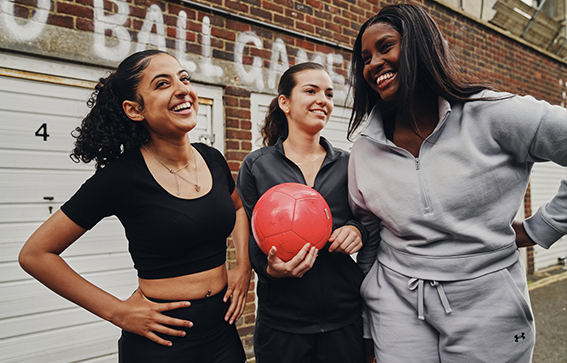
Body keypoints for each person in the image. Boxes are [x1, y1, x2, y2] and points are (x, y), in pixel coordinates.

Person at [347, 4, 567, 363]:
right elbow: (369, 235)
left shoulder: (492, 115)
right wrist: (366, 327)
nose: (372, 64)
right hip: (396, 301)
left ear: (420, 44)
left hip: (487, 304)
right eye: (365, 58)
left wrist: (541, 226)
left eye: (385, 47)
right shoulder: (365, 149)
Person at [18, 49, 251, 363]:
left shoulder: (212, 159)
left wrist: (243, 267)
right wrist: (117, 312)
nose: (183, 89)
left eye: (184, 78)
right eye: (162, 84)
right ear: (134, 109)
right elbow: (35, 254)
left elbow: (237, 209)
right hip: (161, 343)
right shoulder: (121, 177)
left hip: (223, 334)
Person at [236, 62, 366, 363]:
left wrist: (357, 230)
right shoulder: (257, 165)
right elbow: (251, 239)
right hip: (282, 325)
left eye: (329, 94)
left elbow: (369, 220)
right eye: (311, 91)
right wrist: (269, 269)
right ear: (285, 102)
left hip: (343, 320)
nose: (324, 100)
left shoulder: (350, 164)